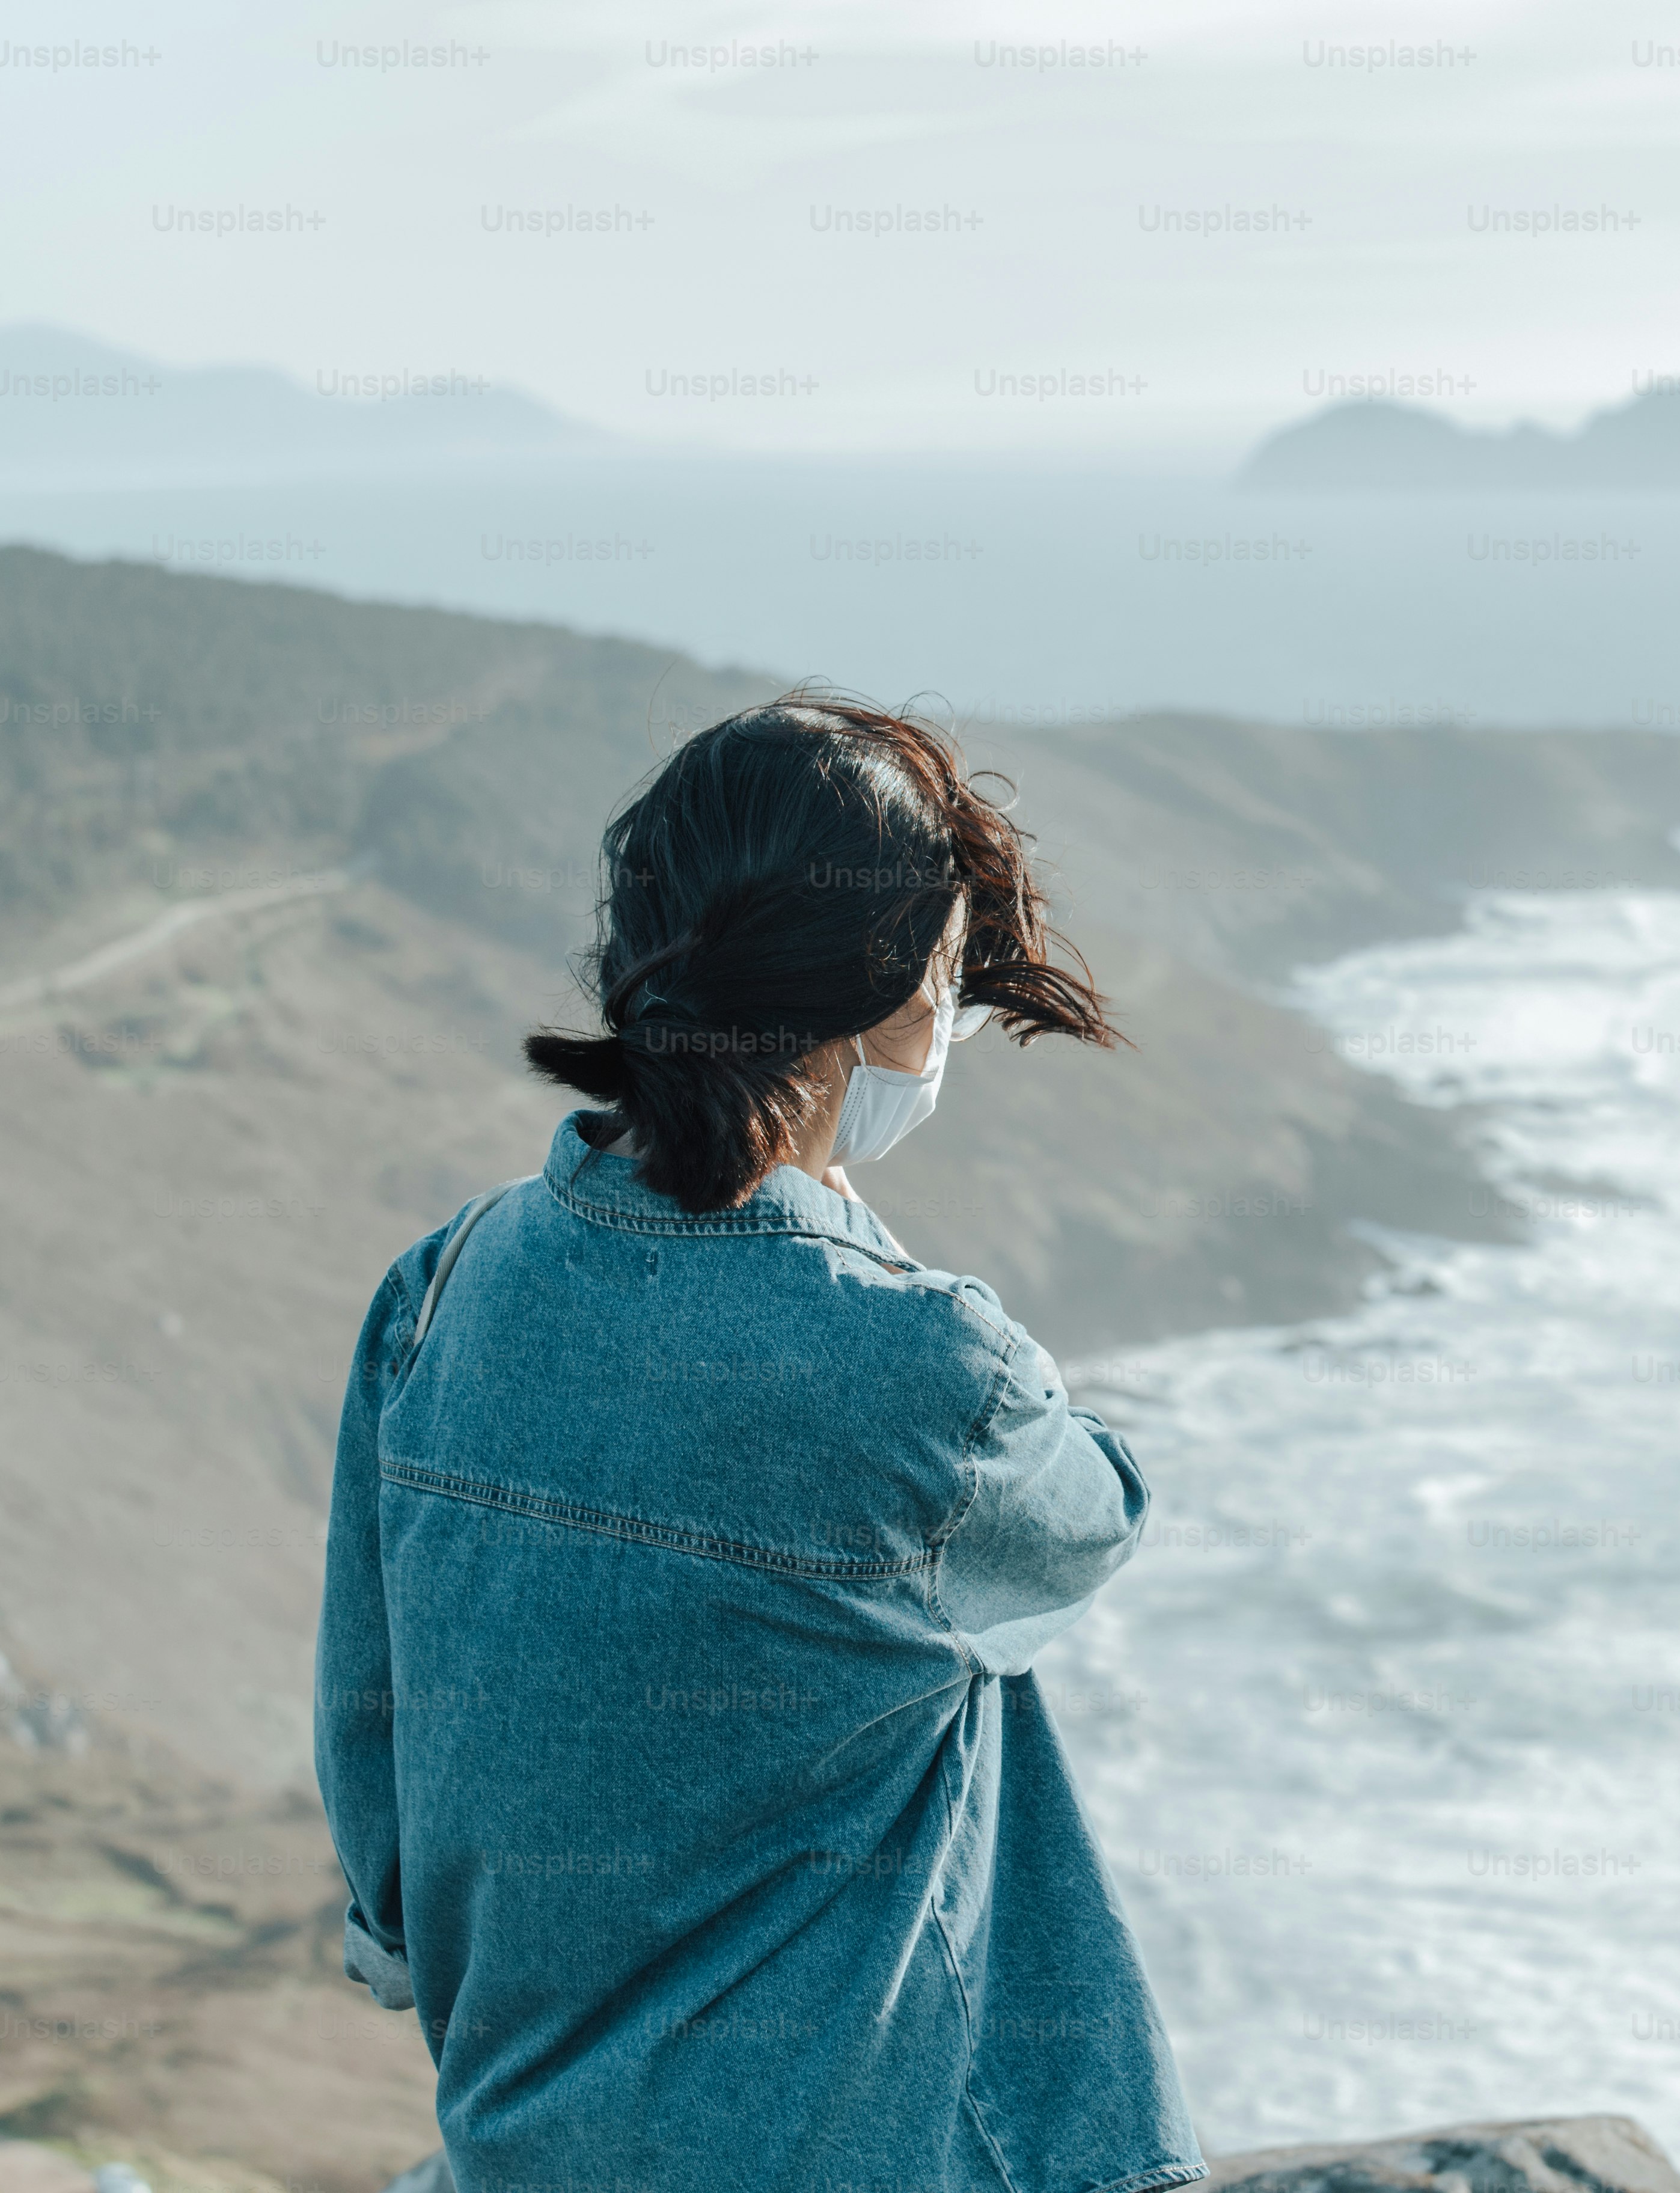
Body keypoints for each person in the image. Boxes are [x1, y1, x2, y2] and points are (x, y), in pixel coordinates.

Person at [315, 696, 1203, 2193]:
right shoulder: (924, 1367)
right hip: (840, 2155)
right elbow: (1091, 1517)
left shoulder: (444, 1286)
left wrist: (402, 1939)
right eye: (944, 980)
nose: (953, 1024)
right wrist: (859, 1259)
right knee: (962, 1663)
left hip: (523, 2139)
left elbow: (373, 1703)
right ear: (887, 1001)